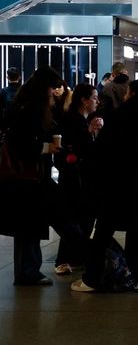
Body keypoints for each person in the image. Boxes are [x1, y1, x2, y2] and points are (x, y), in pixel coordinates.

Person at [72, 78, 138, 292]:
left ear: (131, 94)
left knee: (103, 231)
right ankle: (130, 277)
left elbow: (103, 151)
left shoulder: (121, 115)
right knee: (137, 234)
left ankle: (92, 278)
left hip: (117, 185)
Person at [0, 66, 64, 285]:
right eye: (52, 88)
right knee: (29, 225)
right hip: (28, 177)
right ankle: (28, 271)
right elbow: (22, 143)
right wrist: (46, 147)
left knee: (29, 225)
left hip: (28, 178)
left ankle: (29, 269)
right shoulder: (31, 110)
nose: (54, 93)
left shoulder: (23, 104)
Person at [53, 83, 103, 275]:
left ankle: (74, 256)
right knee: (74, 218)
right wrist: (88, 134)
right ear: (84, 100)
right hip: (74, 178)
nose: (97, 101)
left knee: (83, 218)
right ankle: (63, 259)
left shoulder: (83, 119)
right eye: (94, 97)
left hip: (82, 177)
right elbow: (74, 148)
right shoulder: (72, 119)